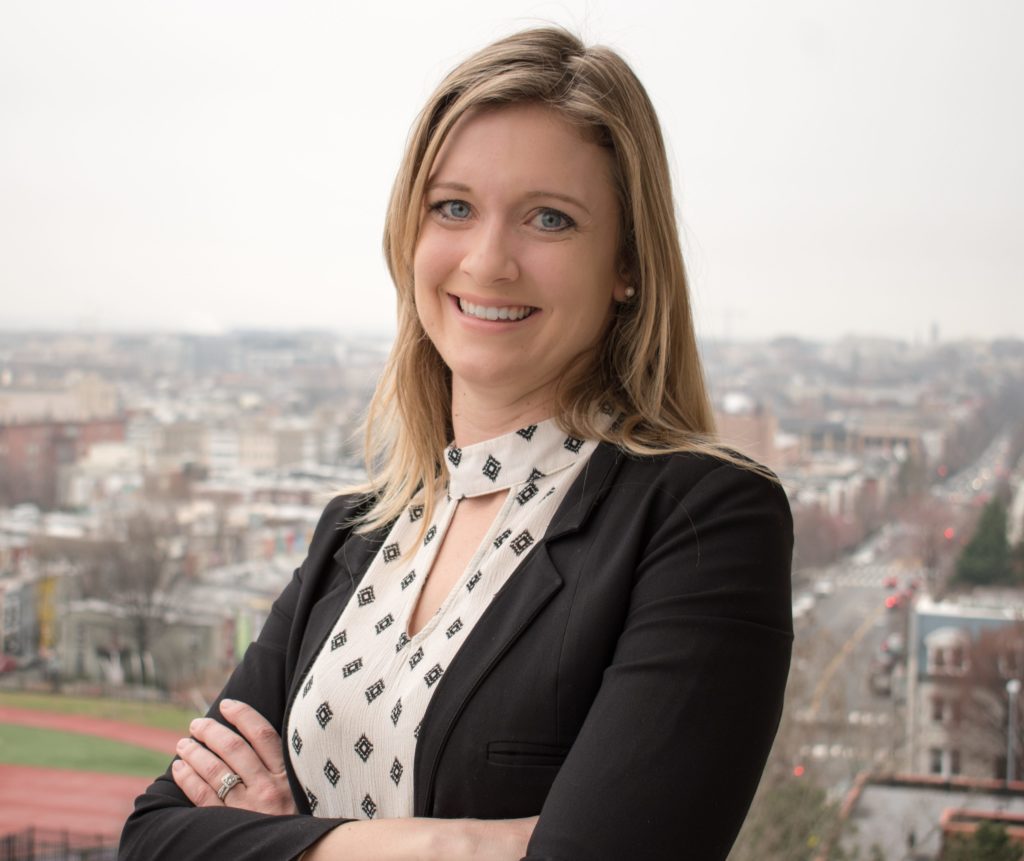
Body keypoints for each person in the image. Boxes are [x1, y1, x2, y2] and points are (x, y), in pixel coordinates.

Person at [119, 26, 793, 861]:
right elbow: (153, 838)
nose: (488, 259)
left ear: (627, 263)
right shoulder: (354, 533)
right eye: (454, 207)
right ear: (410, 233)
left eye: (550, 218)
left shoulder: (701, 525)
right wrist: (471, 843)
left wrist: (283, 838)